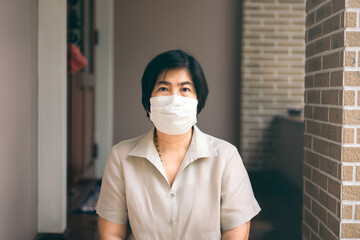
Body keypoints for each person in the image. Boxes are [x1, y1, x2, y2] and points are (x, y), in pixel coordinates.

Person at [96, 49, 261, 240]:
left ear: (198, 99)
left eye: (185, 89)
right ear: (148, 100)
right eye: (163, 89)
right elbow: (111, 232)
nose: (174, 99)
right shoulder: (121, 156)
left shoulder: (226, 156)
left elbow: (235, 231)